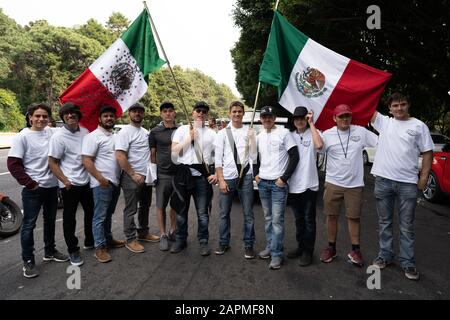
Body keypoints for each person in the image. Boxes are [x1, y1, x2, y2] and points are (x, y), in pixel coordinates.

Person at [370, 93, 433, 280]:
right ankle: (385, 256)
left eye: (402, 104)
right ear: (389, 108)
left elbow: (428, 153)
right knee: (384, 222)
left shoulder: (419, 126)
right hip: (383, 180)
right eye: (395, 105)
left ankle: (408, 262)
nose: (399, 108)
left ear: (408, 105)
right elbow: (363, 104)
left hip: (407, 183)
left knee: (406, 225)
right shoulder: (384, 122)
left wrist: (423, 178)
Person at [7, 103, 69, 278]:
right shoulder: (23, 136)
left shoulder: (52, 132)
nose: (41, 119)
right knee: (29, 225)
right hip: (33, 189)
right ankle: (28, 261)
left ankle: (50, 251)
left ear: (49, 118)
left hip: (52, 187)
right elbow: (13, 164)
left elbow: (72, 124)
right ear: (30, 117)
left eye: (45, 116)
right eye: (37, 116)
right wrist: (30, 183)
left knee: (50, 221)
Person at [318, 104, 378, 267]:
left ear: (351, 117)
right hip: (333, 182)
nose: (345, 119)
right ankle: (331, 248)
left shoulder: (361, 131)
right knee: (331, 216)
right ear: (334, 118)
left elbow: (380, 144)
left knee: (354, 217)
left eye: (347, 116)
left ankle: (356, 250)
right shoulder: (327, 134)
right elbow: (319, 149)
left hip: (355, 184)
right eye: (341, 116)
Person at [48, 102, 94, 266]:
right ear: (62, 117)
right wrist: (65, 181)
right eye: (66, 114)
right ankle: (73, 250)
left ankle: (90, 241)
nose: (70, 116)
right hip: (69, 184)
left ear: (78, 115)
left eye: (73, 113)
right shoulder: (58, 137)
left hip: (86, 181)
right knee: (69, 218)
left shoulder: (85, 132)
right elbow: (52, 162)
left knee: (91, 213)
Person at [254, 106, 299, 270]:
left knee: (277, 221)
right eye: (264, 116)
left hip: (278, 184)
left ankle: (277, 255)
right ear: (261, 119)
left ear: (274, 118)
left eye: (270, 116)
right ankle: (270, 247)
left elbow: (294, 156)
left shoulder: (284, 133)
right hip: (263, 183)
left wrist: (284, 178)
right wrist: (256, 175)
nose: (267, 119)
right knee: (267, 219)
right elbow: (255, 158)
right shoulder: (259, 136)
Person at [171, 101, 217, 256]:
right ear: (192, 112)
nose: (201, 113)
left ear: (207, 115)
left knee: (203, 213)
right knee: (181, 212)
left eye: (204, 111)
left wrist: (216, 174)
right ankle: (180, 240)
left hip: (202, 179)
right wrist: (188, 139)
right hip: (183, 177)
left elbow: (218, 156)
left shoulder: (212, 133)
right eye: (198, 110)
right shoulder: (182, 130)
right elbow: (174, 152)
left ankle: (203, 242)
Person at [82, 105, 126, 263]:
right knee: (100, 216)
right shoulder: (93, 136)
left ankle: (108, 239)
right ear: (99, 119)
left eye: (111, 116)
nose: (109, 118)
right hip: (102, 183)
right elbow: (86, 160)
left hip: (114, 182)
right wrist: (100, 179)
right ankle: (99, 247)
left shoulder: (114, 136)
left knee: (108, 214)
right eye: (106, 116)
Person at [214, 101, 257, 259]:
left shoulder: (249, 132)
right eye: (234, 111)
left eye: (240, 111)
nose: (237, 114)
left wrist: (252, 140)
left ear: (243, 113)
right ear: (229, 113)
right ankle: (223, 242)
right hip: (228, 177)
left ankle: (249, 245)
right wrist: (221, 180)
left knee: (248, 214)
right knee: (224, 213)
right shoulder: (223, 133)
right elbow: (218, 160)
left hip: (245, 176)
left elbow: (253, 156)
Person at [115, 102, 159, 254]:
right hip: (131, 177)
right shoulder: (124, 132)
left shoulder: (145, 132)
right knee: (131, 209)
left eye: (140, 111)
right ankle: (130, 239)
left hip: (146, 177)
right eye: (134, 111)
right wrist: (133, 174)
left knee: (145, 206)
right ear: (129, 114)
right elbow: (120, 155)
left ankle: (143, 232)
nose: (137, 113)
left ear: (143, 114)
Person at [286, 106, 323, 267]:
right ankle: (300, 247)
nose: (300, 121)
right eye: (297, 118)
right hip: (293, 185)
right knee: (298, 219)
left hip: (309, 184)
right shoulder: (290, 135)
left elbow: (320, 146)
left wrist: (312, 124)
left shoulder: (313, 132)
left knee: (309, 220)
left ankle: (308, 251)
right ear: (293, 121)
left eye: (303, 118)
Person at [149, 102, 178, 251]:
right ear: (161, 114)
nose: (168, 113)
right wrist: (154, 175)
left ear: (174, 113)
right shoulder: (155, 132)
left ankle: (173, 231)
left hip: (178, 174)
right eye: (165, 111)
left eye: (170, 111)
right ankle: (162, 234)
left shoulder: (181, 130)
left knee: (175, 205)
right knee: (161, 205)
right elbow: (152, 154)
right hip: (163, 175)